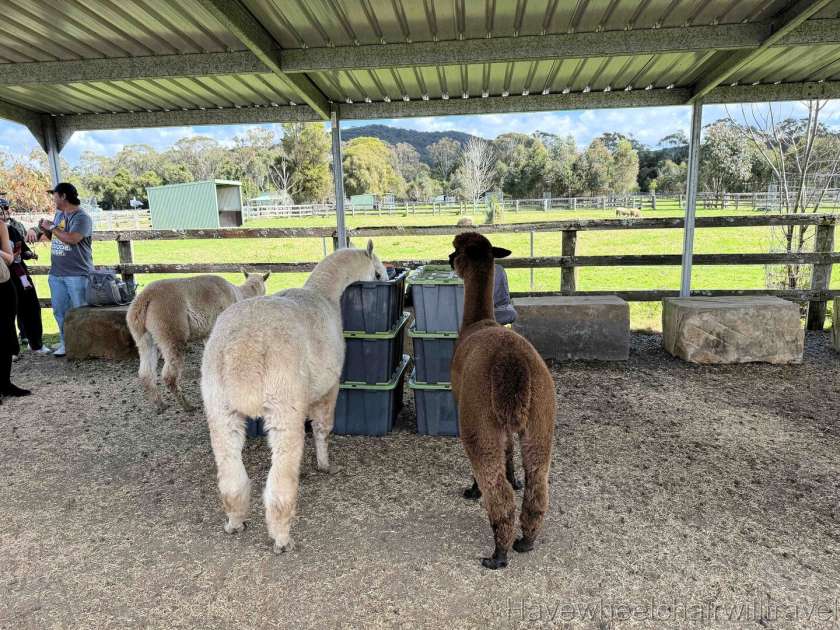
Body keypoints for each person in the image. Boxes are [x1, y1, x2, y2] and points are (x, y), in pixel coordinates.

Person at [39, 183, 93, 358]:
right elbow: (55, 236)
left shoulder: (82, 217)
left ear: (63, 196)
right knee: (60, 311)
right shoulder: (59, 214)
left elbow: (73, 238)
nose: (53, 199)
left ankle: (85, 346)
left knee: (80, 312)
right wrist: (42, 229)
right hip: (57, 273)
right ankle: (66, 343)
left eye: (54, 195)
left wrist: (52, 227)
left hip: (77, 274)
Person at [0, 198, 49, 355]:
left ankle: (35, 343)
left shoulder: (13, 229)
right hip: (4, 276)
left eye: (5, 208)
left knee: (31, 307)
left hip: (20, 274)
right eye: (2, 209)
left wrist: (29, 254)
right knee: (7, 313)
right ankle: (11, 350)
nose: (5, 212)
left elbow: (22, 249)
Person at [0, 219, 31, 401]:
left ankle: (5, 383)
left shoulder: (1, 225)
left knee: (6, 334)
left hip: (3, 284)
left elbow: (10, 258)